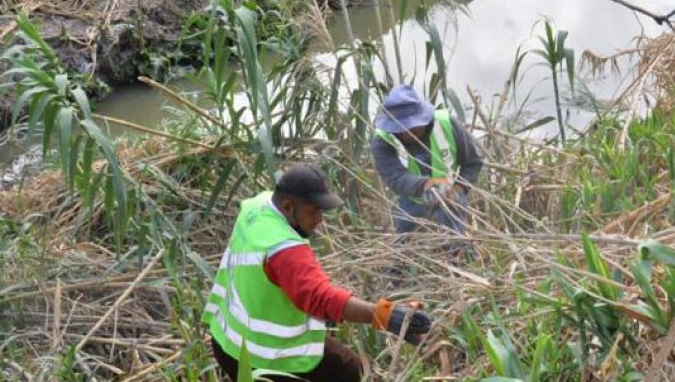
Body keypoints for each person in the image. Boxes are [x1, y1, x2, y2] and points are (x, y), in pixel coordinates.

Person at [203, 164, 433, 382]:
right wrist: (385, 316)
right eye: (312, 212)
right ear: (288, 207)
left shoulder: (257, 207)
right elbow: (319, 297)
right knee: (350, 374)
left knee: (349, 368)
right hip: (261, 357)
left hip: (225, 340)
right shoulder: (283, 248)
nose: (319, 220)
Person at [371, 85, 482, 234]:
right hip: (412, 200)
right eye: (400, 129)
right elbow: (395, 178)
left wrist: (459, 188)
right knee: (407, 244)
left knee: (454, 241)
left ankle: (456, 245)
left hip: (449, 196)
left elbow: (473, 162)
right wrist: (426, 185)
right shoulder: (383, 141)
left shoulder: (447, 124)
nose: (407, 133)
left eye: (413, 127)